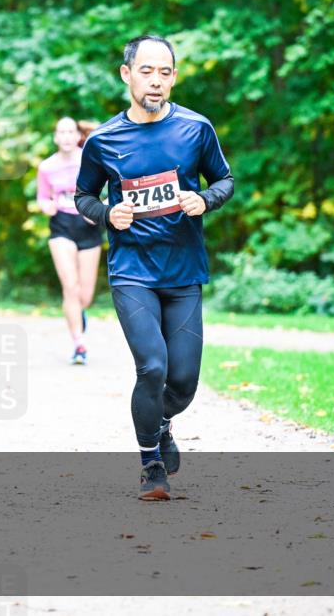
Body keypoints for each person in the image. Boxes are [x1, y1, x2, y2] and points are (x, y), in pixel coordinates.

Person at [74, 35, 234, 501]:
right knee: (152, 367)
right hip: (132, 272)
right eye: (147, 71)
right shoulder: (104, 139)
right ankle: (151, 466)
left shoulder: (195, 129)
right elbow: (83, 195)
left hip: (183, 271)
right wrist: (108, 213)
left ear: (174, 77)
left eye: (165, 72)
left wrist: (203, 199)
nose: (157, 81)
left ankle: (162, 421)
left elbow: (224, 179)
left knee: (182, 383)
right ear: (127, 74)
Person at [36, 117, 103, 365]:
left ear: (77, 136)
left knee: (85, 295)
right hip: (62, 227)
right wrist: (47, 206)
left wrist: (99, 207)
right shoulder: (46, 167)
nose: (65, 136)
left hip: (88, 227)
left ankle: (79, 314)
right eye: (60, 132)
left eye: (70, 132)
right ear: (55, 137)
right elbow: (42, 197)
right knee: (70, 287)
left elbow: (105, 190)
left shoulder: (90, 159)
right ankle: (79, 343)